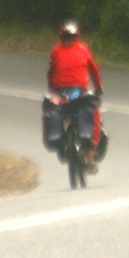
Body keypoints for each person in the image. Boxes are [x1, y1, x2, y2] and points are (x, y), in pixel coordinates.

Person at [47, 20, 104, 172]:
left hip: (60, 93)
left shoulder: (56, 51)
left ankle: (63, 144)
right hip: (79, 91)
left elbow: (51, 73)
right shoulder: (83, 49)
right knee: (93, 114)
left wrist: (53, 89)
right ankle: (90, 158)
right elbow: (94, 70)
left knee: (57, 112)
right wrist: (98, 87)